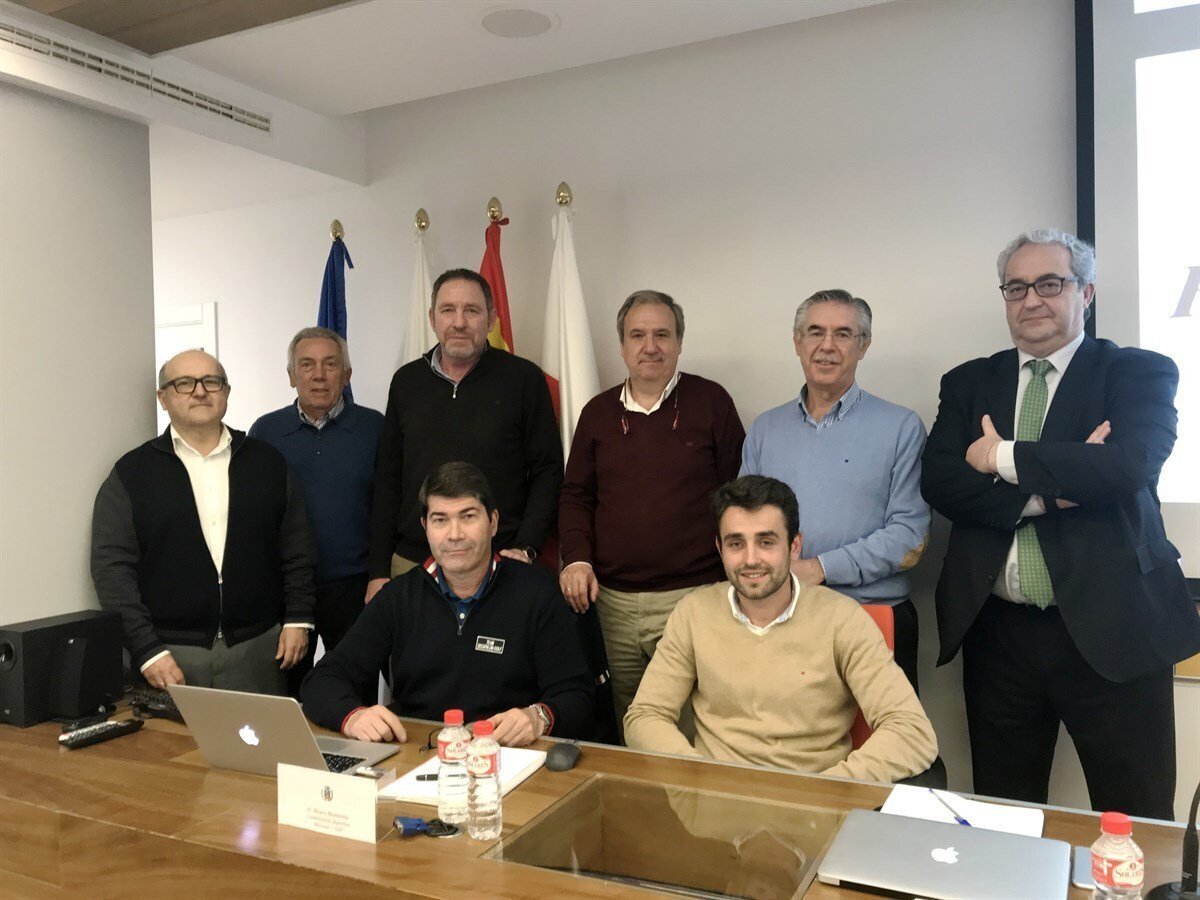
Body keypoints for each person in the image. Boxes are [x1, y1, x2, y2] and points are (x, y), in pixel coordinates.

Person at [921, 228, 1199, 819]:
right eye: (1016, 287)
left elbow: (1126, 467)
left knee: (1136, 820)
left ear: (1086, 292)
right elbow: (941, 482)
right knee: (1006, 816)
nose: (1032, 300)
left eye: (1050, 284)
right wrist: (1055, 493)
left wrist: (999, 457)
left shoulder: (1138, 372)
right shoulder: (968, 382)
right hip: (999, 634)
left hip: (1117, 627)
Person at [624, 475, 936, 783]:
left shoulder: (843, 619)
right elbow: (644, 716)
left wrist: (826, 789)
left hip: (813, 801)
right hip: (715, 798)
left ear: (794, 545)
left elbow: (912, 733)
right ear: (720, 549)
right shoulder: (693, 613)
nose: (751, 559)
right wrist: (699, 776)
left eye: (766, 542)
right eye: (736, 543)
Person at [559, 289, 745, 735]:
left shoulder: (712, 402)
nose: (650, 346)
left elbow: (738, 496)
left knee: (695, 719)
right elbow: (576, 495)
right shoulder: (597, 413)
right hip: (613, 604)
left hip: (693, 598)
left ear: (679, 342)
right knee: (630, 719)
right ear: (622, 345)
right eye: (637, 335)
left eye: (662, 334)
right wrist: (578, 559)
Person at [303, 462, 594, 746]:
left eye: (468, 517)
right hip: (421, 753)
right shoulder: (398, 597)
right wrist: (353, 717)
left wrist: (539, 717)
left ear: (493, 522)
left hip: (509, 754)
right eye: (440, 520)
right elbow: (323, 679)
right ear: (425, 527)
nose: (455, 534)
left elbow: (577, 695)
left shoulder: (536, 592)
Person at [91, 350, 315, 694]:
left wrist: (299, 617)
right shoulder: (132, 474)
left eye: (211, 381)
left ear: (226, 392)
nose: (199, 391)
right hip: (170, 656)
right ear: (162, 397)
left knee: (256, 733)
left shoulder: (268, 463)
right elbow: (112, 568)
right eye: (184, 383)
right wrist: (146, 650)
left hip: (258, 649)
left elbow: (297, 547)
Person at [741, 290, 929, 691]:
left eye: (843, 334)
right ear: (797, 342)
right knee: (784, 730)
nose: (827, 345)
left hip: (872, 618)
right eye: (815, 332)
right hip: (781, 618)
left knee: (885, 731)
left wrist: (819, 569)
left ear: (864, 345)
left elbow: (909, 537)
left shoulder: (902, 427)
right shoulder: (764, 430)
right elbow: (744, 528)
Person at [365, 268, 562, 602]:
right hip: (413, 564)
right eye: (448, 310)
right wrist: (378, 571)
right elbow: (388, 479)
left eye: (471, 310)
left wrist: (527, 546)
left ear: (491, 319)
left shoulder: (524, 379)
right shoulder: (406, 382)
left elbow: (548, 471)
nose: (459, 322)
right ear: (432, 318)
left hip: (499, 565)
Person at [249, 327, 383, 699]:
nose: (319, 375)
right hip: (287, 590)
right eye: (307, 365)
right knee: (286, 692)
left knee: (354, 693)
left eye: (330, 364)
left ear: (347, 374)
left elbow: (388, 506)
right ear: (292, 376)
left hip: (355, 588)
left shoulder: (375, 428)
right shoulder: (265, 432)